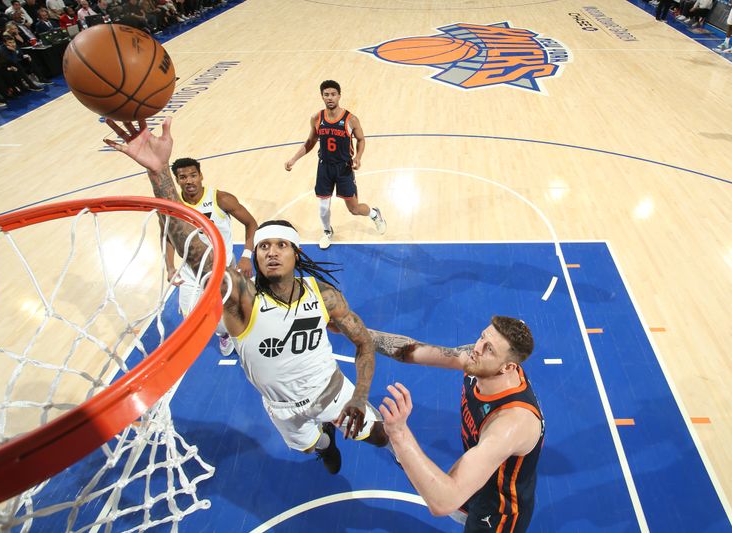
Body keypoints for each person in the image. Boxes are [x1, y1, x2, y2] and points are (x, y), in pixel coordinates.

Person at [105, 117, 389, 475]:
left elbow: (364, 343)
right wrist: (159, 174)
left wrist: (361, 397)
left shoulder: (325, 296)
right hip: (283, 408)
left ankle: (375, 444)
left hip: (334, 394)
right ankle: (324, 443)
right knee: (314, 448)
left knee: (379, 434)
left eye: (281, 245)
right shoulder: (241, 300)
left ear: (295, 254)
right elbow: (193, 250)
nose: (271, 251)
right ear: (254, 257)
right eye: (264, 246)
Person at [371, 316, 544, 533]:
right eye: (482, 336)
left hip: (498, 509)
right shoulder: (480, 361)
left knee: (445, 497)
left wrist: (398, 433)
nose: (477, 348)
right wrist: (356, 332)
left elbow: (443, 503)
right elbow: (412, 350)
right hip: (478, 472)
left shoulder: (511, 423)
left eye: (489, 348)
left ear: (507, 367)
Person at [164, 156, 258, 356]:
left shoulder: (220, 199)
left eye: (193, 175)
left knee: (230, 308)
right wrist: (170, 266)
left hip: (223, 266)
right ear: (177, 180)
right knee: (191, 318)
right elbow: (168, 237)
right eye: (183, 177)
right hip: (191, 269)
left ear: (201, 176)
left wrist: (247, 256)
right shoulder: (173, 206)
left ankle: (240, 315)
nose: (189, 181)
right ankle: (224, 333)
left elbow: (251, 223)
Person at [284, 80, 386, 250]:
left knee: (354, 209)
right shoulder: (317, 118)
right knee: (323, 207)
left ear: (339, 96)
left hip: (344, 168)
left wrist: (358, 158)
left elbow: (361, 140)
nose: (330, 98)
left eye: (333, 94)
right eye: (326, 95)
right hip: (324, 167)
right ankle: (327, 231)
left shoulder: (351, 119)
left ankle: (374, 214)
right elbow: (310, 142)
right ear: (321, 96)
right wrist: (293, 159)